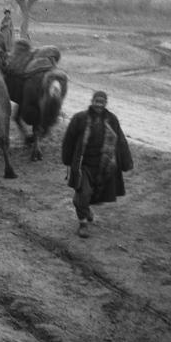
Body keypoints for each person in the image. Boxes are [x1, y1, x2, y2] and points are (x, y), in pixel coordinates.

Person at [61, 90, 133, 238]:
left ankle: (85, 209)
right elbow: (69, 140)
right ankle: (83, 223)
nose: (99, 105)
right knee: (84, 193)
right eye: (96, 101)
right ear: (92, 101)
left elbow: (120, 140)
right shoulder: (80, 119)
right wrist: (67, 160)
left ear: (106, 103)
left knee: (92, 196)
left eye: (102, 102)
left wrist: (126, 162)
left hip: (103, 166)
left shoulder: (112, 119)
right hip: (83, 165)